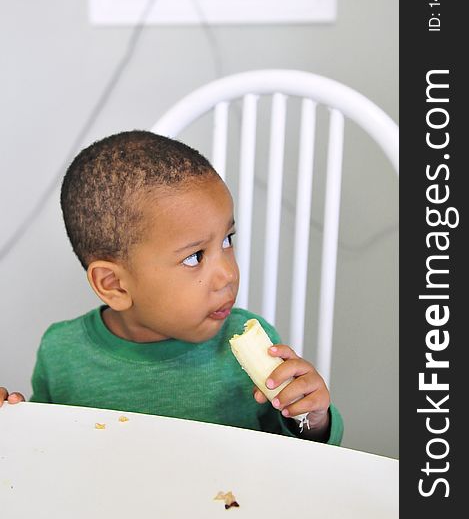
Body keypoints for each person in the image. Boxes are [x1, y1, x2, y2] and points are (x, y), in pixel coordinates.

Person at [0, 130, 343, 444]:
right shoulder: (62, 354)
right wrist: (13, 422)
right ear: (114, 284)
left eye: (227, 239)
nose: (228, 274)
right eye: (194, 257)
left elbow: (300, 456)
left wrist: (311, 417)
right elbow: (45, 449)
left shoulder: (251, 344)